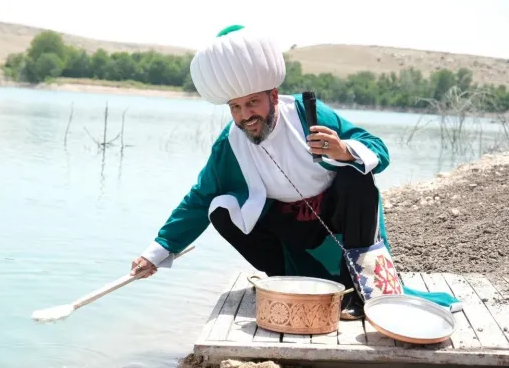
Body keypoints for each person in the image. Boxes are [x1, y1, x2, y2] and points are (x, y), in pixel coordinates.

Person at [129, 25, 451, 319]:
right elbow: (199, 199)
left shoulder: (305, 112)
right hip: (287, 225)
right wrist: (156, 253)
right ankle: (288, 280)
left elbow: (377, 148)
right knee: (220, 209)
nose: (246, 116)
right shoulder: (230, 143)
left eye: (253, 103)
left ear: (273, 96)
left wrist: (342, 150)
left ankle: (364, 290)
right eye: (236, 107)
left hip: (335, 214)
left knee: (358, 176)